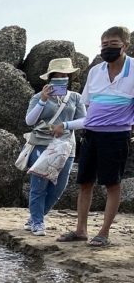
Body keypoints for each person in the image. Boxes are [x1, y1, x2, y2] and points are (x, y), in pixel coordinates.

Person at [52, 26, 134, 247]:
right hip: (91, 135)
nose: (107, 48)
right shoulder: (96, 71)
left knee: (112, 184)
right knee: (85, 182)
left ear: (124, 45)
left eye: (113, 44)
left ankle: (104, 233)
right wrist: (67, 124)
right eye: (104, 44)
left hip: (117, 137)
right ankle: (81, 230)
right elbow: (90, 112)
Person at [23, 57, 86, 236]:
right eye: (57, 75)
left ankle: (36, 216)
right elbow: (29, 121)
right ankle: (37, 222)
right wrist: (43, 100)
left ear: (70, 77)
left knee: (58, 188)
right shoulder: (37, 96)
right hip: (42, 145)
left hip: (67, 147)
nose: (61, 77)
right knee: (39, 185)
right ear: (50, 78)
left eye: (65, 74)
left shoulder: (75, 97)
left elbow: (84, 121)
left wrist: (66, 126)